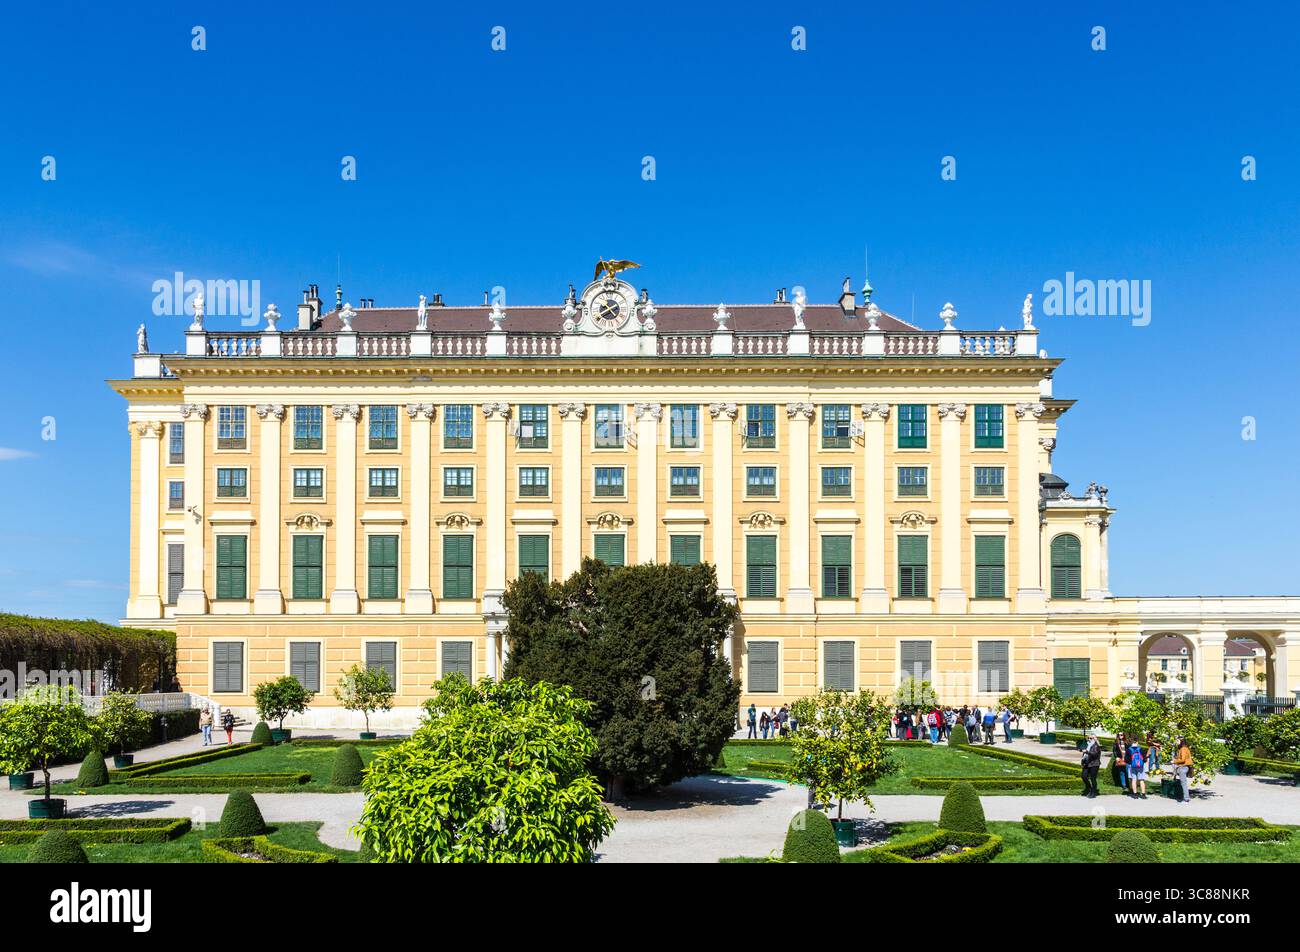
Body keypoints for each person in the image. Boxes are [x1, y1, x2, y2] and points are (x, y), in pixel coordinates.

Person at [1172, 737, 1194, 803]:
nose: (1176, 742)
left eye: (1178, 740)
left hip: (1183, 767)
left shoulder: (1183, 749)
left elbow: (1183, 759)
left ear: (1181, 741)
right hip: (1185, 767)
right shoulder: (1186, 748)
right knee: (1183, 783)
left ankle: (1186, 798)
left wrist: (1174, 761)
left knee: (1183, 783)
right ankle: (1185, 797)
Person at [1081, 731, 1102, 797]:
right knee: (1083, 776)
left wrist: (1087, 752)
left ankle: (1093, 792)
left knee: (1093, 778)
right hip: (1087, 763)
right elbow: (1085, 755)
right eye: (1089, 738)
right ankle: (1089, 787)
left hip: (1094, 764)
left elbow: (1095, 754)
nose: (1089, 739)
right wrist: (1083, 760)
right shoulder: (1088, 745)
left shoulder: (1096, 746)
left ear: (1095, 739)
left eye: (1091, 738)